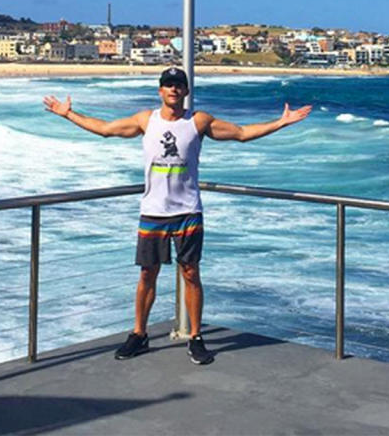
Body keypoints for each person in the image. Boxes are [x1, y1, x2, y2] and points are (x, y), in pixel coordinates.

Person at [43, 66, 311, 365]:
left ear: (185, 91)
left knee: (191, 273)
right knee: (147, 274)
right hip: (153, 211)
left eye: (178, 85)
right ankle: (139, 334)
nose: (173, 89)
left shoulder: (198, 121)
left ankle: (195, 337)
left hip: (188, 211)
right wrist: (68, 114)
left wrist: (282, 122)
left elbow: (242, 133)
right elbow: (106, 130)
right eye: (168, 85)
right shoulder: (146, 120)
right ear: (160, 91)